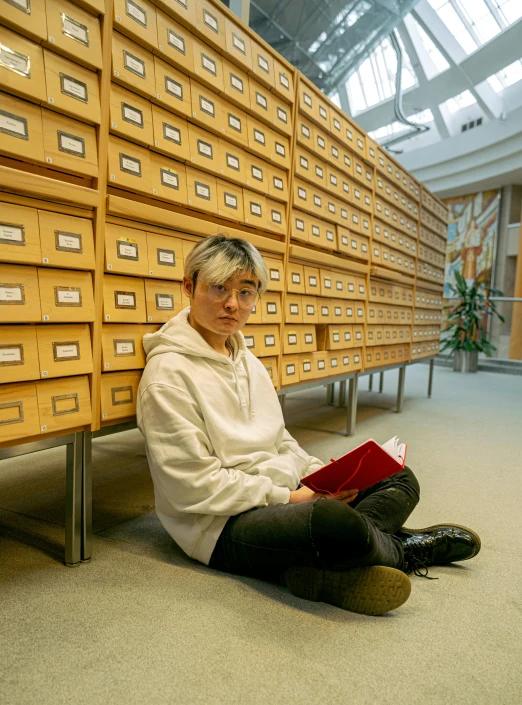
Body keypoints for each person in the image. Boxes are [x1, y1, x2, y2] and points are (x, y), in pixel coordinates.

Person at [137, 235, 480, 616]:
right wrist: (293, 499)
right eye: (218, 287)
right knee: (332, 519)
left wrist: (319, 475)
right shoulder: (165, 377)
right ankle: (403, 549)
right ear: (189, 286)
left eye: (245, 292)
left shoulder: (245, 359)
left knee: (399, 477)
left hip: (286, 494)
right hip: (220, 526)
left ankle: (323, 568)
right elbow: (192, 487)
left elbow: (279, 438)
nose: (232, 304)